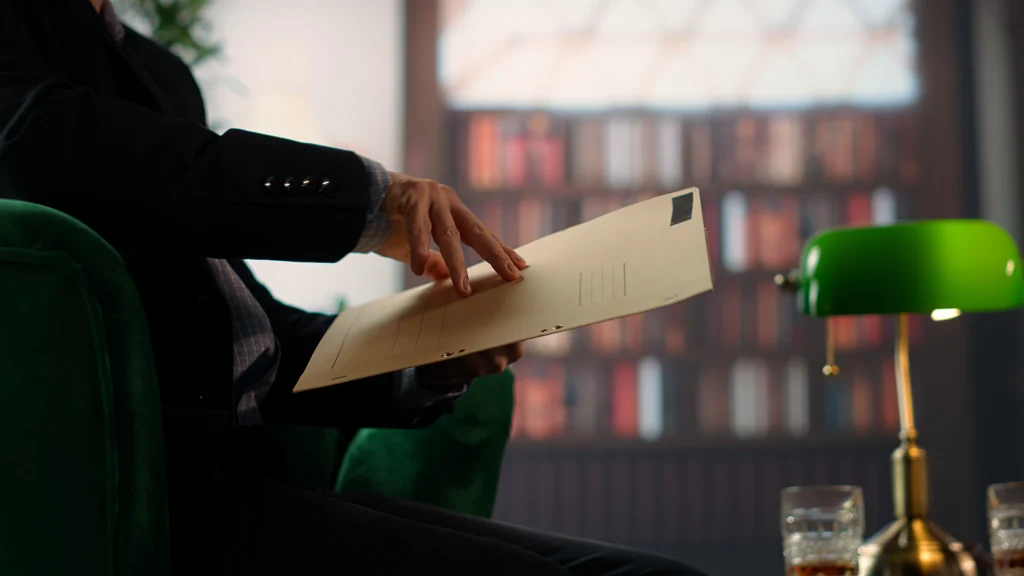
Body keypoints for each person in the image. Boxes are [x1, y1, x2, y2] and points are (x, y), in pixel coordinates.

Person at [0, 1, 706, 574]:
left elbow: (254, 342)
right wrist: (374, 200)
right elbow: (48, 141)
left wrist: (425, 358)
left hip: (249, 490)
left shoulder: (159, 73)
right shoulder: (34, 71)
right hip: (135, 511)